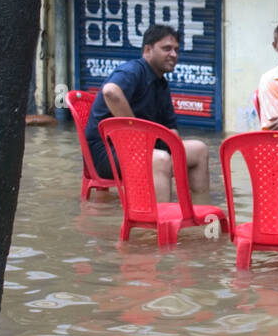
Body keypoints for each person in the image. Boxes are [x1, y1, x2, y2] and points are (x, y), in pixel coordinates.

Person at [84, 24, 210, 203]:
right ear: (147, 50)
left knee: (198, 149)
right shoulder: (133, 71)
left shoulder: (162, 84)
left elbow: (171, 130)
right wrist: (135, 135)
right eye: (166, 49)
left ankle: (199, 213)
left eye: (176, 50)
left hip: (144, 150)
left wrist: (176, 150)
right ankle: (158, 227)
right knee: (160, 159)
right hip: (107, 154)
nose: (173, 54)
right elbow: (110, 92)